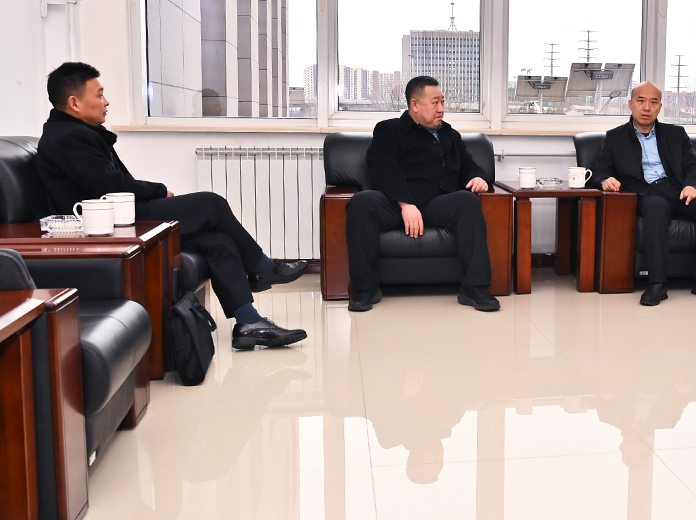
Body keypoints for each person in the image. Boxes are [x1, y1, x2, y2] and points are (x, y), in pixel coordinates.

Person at [36, 62, 309, 349]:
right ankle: (263, 267)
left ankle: (249, 323)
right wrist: (159, 191)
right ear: (74, 103)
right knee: (211, 203)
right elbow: (112, 186)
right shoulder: (70, 138)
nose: (106, 102)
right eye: (99, 94)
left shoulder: (72, 132)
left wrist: (152, 193)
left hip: (116, 216)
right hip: (105, 226)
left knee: (218, 241)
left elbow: (111, 184)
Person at [344, 76, 500, 313]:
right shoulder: (389, 130)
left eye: (443, 102)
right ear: (414, 104)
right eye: (435, 102)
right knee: (361, 202)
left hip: (437, 202)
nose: (441, 109)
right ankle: (365, 289)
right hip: (395, 204)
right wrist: (406, 203)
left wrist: (479, 178)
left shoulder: (450, 135)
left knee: (467, 201)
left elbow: (469, 166)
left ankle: (474, 288)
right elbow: (383, 169)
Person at [592, 81, 696, 306]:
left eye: (653, 102)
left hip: (678, 190)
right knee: (656, 207)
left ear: (659, 107)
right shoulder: (615, 137)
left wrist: (693, 185)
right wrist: (605, 180)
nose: (646, 107)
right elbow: (600, 170)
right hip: (647, 193)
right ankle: (657, 283)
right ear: (630, 104)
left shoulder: (676, 134)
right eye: (641, 101)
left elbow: (694, 166)